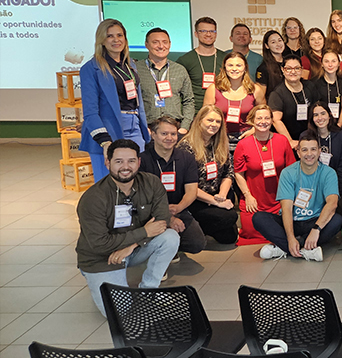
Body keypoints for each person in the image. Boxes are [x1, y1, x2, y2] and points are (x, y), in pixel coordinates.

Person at [77, 139, 179, 316]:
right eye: (119, 161)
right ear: (107, 162)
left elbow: (162, 220)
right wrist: (144, 232)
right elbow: (100, 244)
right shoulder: (93, 199)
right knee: (120, 314)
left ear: (138, 162)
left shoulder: (152, 183)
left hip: (132, 250)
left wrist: (132, 246)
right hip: (103, 258)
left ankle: (149, 290)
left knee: (170, 237)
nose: (126, 167)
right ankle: (98, 280)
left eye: (131, 161)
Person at [252, 131, 342, 261]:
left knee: (337, 220)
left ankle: (284, 248)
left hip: (314, 221)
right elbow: (286, 208)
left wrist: (316, 229)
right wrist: (290, 237)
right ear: (298, 153)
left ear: (319, 152)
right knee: (259, 218)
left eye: (313, 149)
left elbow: (332, 204)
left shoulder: (329, 173)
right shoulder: (288, 173)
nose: (309, 154)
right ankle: (305, 249)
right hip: (291, 222)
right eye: (304, 150)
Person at [80, 19, 150, 180]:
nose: (116, 40)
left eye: (119, 35)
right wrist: (105, 141)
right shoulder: (91, 69)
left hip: (134, 126)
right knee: (109, 182)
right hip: (108, 129)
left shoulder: (130, 65)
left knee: (136, 178)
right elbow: (90, 111)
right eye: (110, 36)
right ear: (102, 40)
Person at [138, 115, 205, 258]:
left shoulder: (186, 158)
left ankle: (171, 246)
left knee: (197, 243)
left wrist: (179, 208)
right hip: (150, 213)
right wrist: (167, 217)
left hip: (178, 209)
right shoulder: (142, 160)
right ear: (153, 135)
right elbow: (141, 198)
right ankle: (159, 249)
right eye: (164, 133)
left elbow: (192, 191)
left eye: (173, 134)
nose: (169, 138)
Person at [233, 105, 296, 245]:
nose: (263, 121)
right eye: (259, 118)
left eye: (267, 118)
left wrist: (289, 197)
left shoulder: (282, 140)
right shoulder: (243, 144)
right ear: (252, 121)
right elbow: (238, 173)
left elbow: (292, 170)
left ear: (272, 121)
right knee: (251, 232)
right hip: (254, 200)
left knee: (284, 228)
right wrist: (248, 196)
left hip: (279, 199)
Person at [178, 105, 238, 246]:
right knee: (230, 217)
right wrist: (215, 202)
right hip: (196, 198)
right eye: (210, 120)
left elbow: (228, 172)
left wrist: (222, 195)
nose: (214, 124)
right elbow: (187, 185)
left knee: (229, 237)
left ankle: (204, 226)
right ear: (199, 121)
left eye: (218, 121)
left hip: (217, 194)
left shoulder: (220, 143)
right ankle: (193, 230)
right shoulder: (186, 147)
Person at [137, 28, 195, 134]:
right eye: (155, 42)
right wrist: (143, 127)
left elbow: (189, 101)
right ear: (146, 45)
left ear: (170, 44)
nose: (161, 46)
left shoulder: (180, 70)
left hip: (175, 129)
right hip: (147, 129)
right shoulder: (136, 69)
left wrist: (184, 127)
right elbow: (131, 102)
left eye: (165, 42)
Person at [204, 52, 264, 152]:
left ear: (245, 68)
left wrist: (255, 129)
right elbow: (205, 117)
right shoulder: (213, 89)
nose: (234, 69)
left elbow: (264, 115)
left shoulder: (255, 90)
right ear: (224, 68)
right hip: (219, 138)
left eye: (238, 65)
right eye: (230, 65)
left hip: (247, 137)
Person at [268, 56, 318, 149]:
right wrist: (290, 141)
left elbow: (318, 109)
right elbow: (276, 120)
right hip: (289, 142)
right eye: (289, 69)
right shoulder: (277, 93)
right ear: (282, 70)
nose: (293, 72)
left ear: (302, 69)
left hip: (310, 139)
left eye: (297, 68)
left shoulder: (310, 86)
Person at [177, 17, 229, 105]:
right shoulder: (185, 60)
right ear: (196, 34)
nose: (208, 34)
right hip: (195, 109)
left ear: (216, 34)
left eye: (212, 31)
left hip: (220, 109)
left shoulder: (226, 58)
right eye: (204, 31)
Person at [307, 101, 342, 195]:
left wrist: (337, 192)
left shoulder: (341, 136)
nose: (320, 118)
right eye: (316, 115)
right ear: (312, 119)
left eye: (323, 113)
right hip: (312, 186)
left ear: (330, 115)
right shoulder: (306, 137)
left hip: (335, 185)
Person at [310, 50, 342, 131]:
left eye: (333, 61)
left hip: (341, 126)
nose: (330, 65)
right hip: (321, 126)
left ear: (338, 63)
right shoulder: (314, 84)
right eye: (326, 61)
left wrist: (339, 125)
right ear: (322, 64)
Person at [255, 30, 286, 98]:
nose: (278, 44)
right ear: (267, 46)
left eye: (280, 40)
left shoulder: (289, 62)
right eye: (273, 42)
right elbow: (260, 96)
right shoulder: (263, 68)